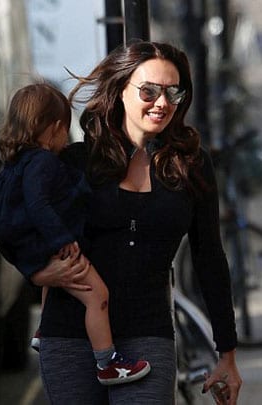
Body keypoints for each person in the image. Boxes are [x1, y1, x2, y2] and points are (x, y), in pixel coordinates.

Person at [29, 41, 242, 404]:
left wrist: (227, 352)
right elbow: (19, 223)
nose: (162, 103)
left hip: (148, 335)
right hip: (70, 336)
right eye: (149, 91)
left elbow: (209, 257)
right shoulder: (76, 161)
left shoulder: (191, 166)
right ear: (120, 91)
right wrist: (37, 272)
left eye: (173, 92)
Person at [0, 83, 151, 386]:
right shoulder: (43, 162)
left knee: (57, 283)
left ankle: (45, 329)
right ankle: (107, 361)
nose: (67, 140)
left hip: (26, 246)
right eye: (65, 130)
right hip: (47, 243)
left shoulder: (13, 165)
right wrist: (62, 239)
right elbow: (39, 204)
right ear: (54, 129)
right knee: (97, 296)